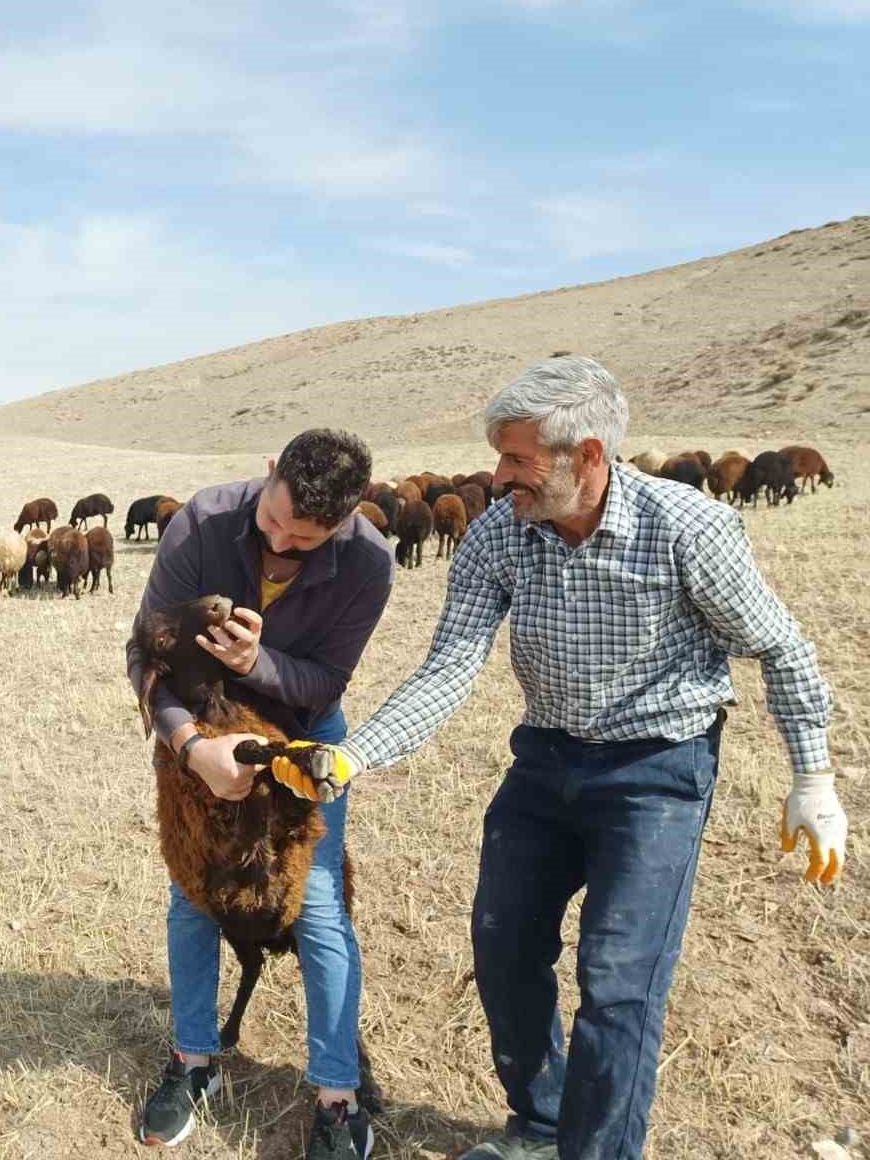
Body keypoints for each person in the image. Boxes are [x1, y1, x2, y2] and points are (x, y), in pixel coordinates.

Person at [325, 356, 845, 1159]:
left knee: (619, 982)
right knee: (503, 948)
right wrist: (355, 755)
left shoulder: (688, 527)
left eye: (518, 459)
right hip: (545, 760)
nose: (500, 477)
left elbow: (779, 646)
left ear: (589, 455)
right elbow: (451, 664)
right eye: (499, 457)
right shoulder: (500, 532)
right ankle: (539, 1126)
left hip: (658, 772)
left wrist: (813, 777)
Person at [125, 428, 393, 1159]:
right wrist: (192, 749)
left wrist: (256, 663)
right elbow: (144, 651)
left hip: (301, 738)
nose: (281, 542)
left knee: (319, 903)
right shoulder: (202, 522)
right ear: (270, 470)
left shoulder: (369, 562)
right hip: (200, 728)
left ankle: (338, 1097)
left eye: (305, 538)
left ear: (347, 517)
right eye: (274, 519)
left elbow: (326, 682)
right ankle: (193, 1060)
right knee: (193, 893)